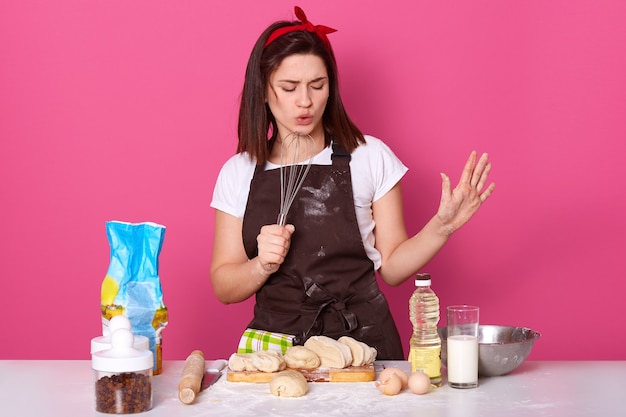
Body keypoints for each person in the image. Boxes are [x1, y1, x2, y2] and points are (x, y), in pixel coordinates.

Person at [210, 6, 495, 360]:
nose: (305, 101)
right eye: (289, 87)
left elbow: (391, 267)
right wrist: (261, 265)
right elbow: (224, 286)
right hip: (278, 351)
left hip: (362, 344)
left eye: (318, 85)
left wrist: (443, 226)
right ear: (264, 92)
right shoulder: (239, 171)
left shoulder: (369, 156)